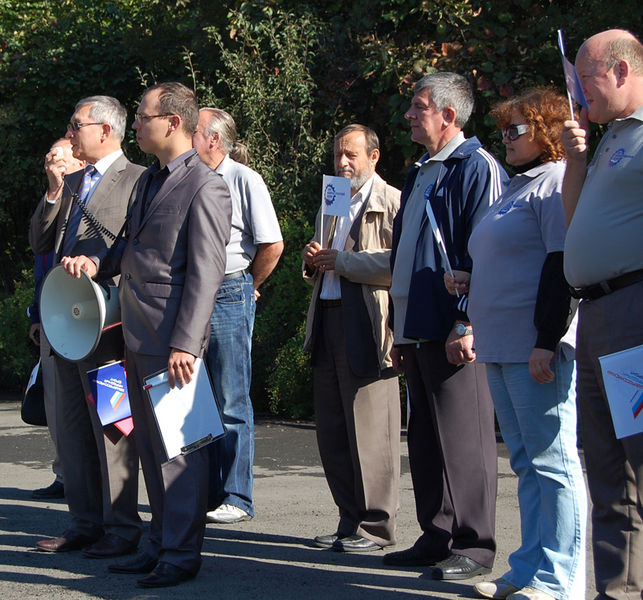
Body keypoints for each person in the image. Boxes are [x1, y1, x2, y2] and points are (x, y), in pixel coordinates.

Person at [62, 82, 232, 588]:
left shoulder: (206, 185)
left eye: (142, 116)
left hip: (172, 342)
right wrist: (96, 262)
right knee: (155, 453)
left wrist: (186, 343)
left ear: (172, 122)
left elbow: (206, 273)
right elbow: (130, 249)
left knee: (181, 453)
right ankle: (159, 544)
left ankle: (181, 555)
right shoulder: (150, 179)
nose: (134, 124)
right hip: (137, 335)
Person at [445, 87, 587, 600]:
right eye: (502, 129)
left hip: (535, 348)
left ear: (545, 131)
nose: (504, 137)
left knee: (553, 463)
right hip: (501, 345)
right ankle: (528, 568)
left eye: (516, 129)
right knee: (526, 462)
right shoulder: (516, 186)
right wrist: (470, 281)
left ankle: (560, 580)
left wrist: (547, 339)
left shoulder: (556, 183)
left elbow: (562, 265)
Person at [383, 72, 508, 579]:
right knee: (426, 438)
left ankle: (475, 546)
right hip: (417, 324)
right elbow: (407, 256)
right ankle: (438, 535)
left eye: (419, 107)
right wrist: (399, 328)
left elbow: (490, 248)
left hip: (453, 325)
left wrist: (467, 320)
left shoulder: (476, 166)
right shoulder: (421, 171)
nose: (409, 115)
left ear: (449, 115)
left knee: (465, 437)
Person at [29, 97, 144, 558]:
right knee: (73, 430)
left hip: (107, 327)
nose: (71, 132)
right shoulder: (73, 182)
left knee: (113, 429)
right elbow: (40, 241)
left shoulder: (138, 179)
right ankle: (84, 522)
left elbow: (138, 245)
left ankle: (122, 527)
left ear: (105, 130)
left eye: (77, 125)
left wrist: (98, 263)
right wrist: (53, 192)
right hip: (67, 322)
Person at [560, 29, 643, 600]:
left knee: (638, 461)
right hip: (597, 314)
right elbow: (575, 223)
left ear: (621, 71)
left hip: (632, 312)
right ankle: (619, 592)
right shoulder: (611, 137)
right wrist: (575, 161)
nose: (578, 93)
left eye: (585, 80)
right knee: (609, 470)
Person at [301, 124, 401, 553]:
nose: (342, 163)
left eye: (351, 155)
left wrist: (343, 262)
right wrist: (312, 260)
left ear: (374, 157)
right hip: (328, 319)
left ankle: (377, 527)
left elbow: (400, 264)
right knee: (334, 429)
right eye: (338, 154)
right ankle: (348, 520)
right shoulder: (334, 198)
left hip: (368, 324)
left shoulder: (393, 201)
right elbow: (321, 262)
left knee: (373, 431)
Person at [192, 107, 283, 525]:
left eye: (193, 129)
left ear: (214, 139)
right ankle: (205, 492)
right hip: (193, 294)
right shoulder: (189, 177)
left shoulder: (245, 179)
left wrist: (250, 285)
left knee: (230, 398)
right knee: (197, 399)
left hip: (230, 289)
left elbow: (272, 244)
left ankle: (236, 496)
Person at [29, 138, 85, 501]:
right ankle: (65, 473)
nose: (54, 166)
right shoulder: (53, 200)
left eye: (60, 160)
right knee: (56, 403)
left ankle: (98, 477)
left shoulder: (91, 199)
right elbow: (40, 256)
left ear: (80, 163)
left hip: (88, 313)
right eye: (50, 159)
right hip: (52, 315)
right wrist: (35, 314)